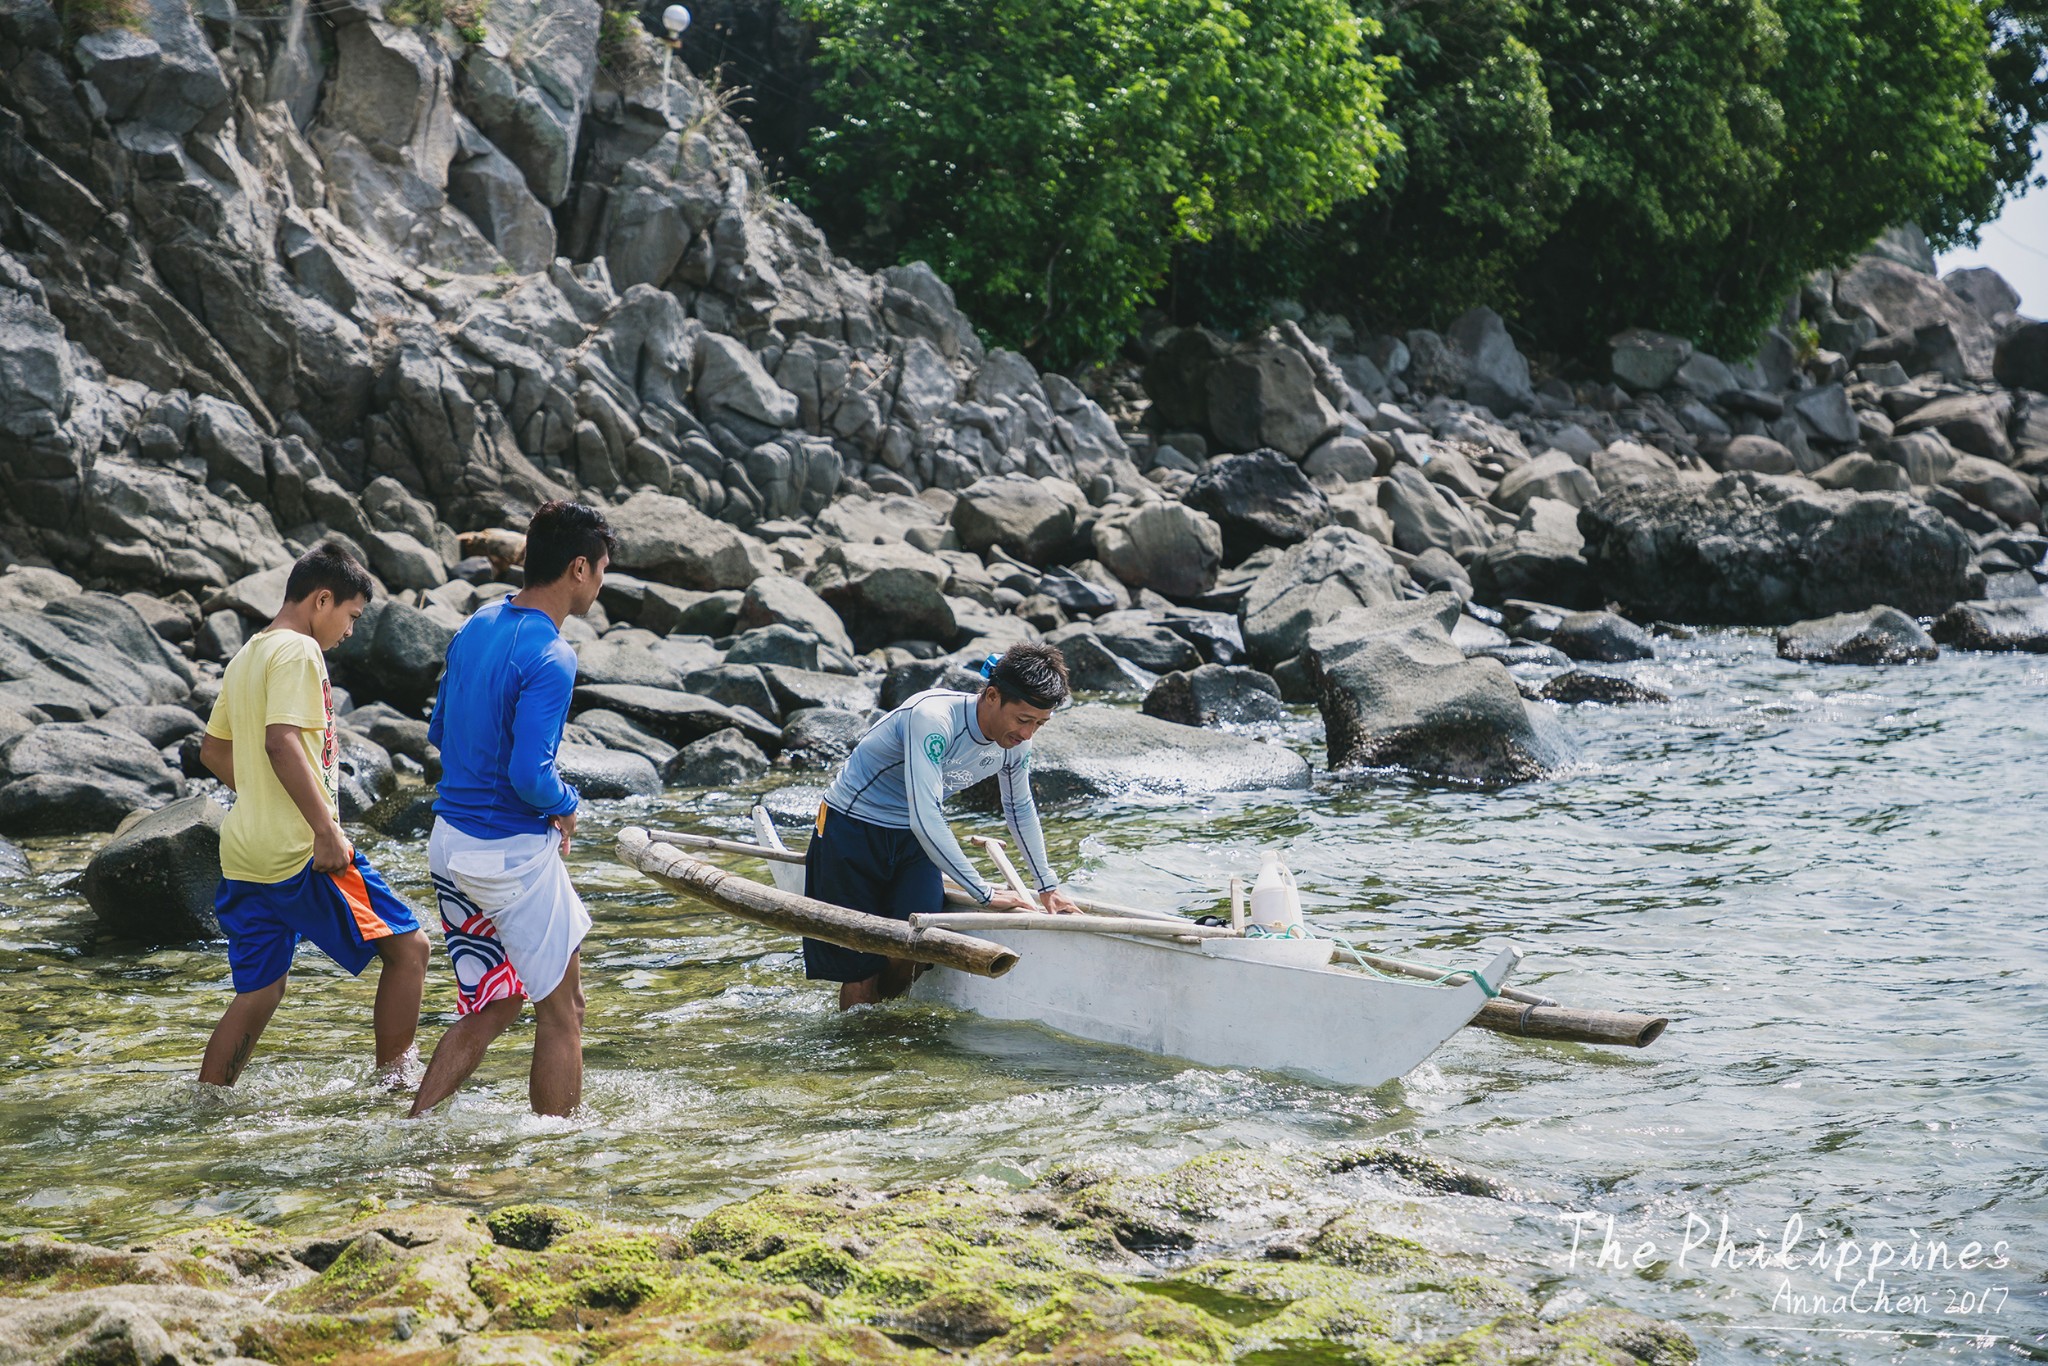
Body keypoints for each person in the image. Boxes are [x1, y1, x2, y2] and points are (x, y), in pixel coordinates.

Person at [197, 543, 429, 1089]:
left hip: (244, 851)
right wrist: (326, 828)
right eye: (350, 616)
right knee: (410, 949)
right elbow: (281, 741)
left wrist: (258, 793)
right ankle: (394, 1085)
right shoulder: (300, 651)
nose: (349, 631)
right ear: (321, 600)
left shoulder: (248, 653)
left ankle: (206, 1103)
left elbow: (212, 750)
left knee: (261, 990)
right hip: (300, 849)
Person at [408, 501, 613, 1118]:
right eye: (602, 571)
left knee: (496, 1003)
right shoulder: (552, 656)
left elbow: (440, 731)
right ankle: (557, 1155)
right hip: (509, 858)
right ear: (578, 568)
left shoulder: (478, 624)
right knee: (564, 1010)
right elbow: (530, 775)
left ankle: (415, 1127)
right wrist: (567, 805)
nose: (601, 585)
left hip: (449, 844)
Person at [804, 642, 1080, 1009]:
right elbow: (926, 814)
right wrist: (984, 893)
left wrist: (1048, 887)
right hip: (851, 830)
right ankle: (859, 1053)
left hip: (914, 840)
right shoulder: (933, 718)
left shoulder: (1015, 743)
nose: (1028, 734)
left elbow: (1019, 807)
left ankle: (890, 1033)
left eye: (1039, 724)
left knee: (916, 949)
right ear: (993, 696)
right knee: (861, 968)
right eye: (1023, 720)